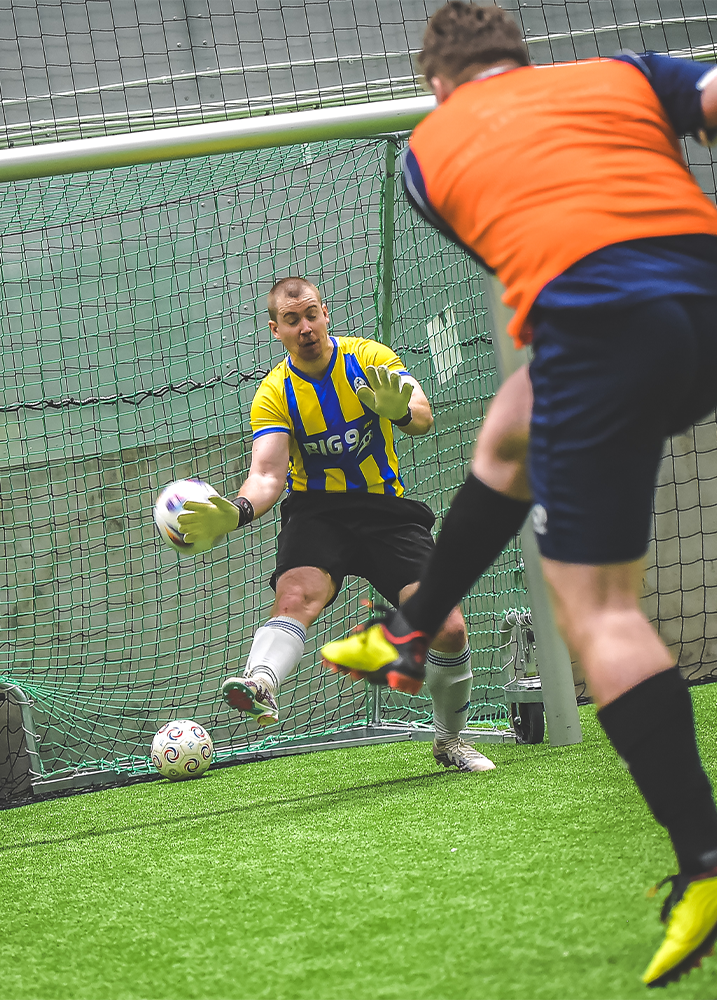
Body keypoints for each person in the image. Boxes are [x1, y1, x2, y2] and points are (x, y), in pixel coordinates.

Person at [319, 1, 717, 987]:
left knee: (600, 615)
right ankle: (412, 632)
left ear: (438, 83)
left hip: (607, 331)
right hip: (708, 311)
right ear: (520, 57)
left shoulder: (426, 155)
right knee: (510, 427)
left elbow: (544, 239)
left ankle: (709, 861)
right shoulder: (618, 71)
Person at [177, 275, 495, 773]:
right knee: (295, 597)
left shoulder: (369, 358)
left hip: (385, 510)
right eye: (291, 320)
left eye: (311, 315)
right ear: (276, 330)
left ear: (325, 314)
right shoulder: (274, 393)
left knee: (449, 628)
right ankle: (260, 682)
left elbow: (422, 415)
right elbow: (267, 475)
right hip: (317, 512)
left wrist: (401, 412)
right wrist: (235, 510)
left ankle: (449, 740)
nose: (305, 327)